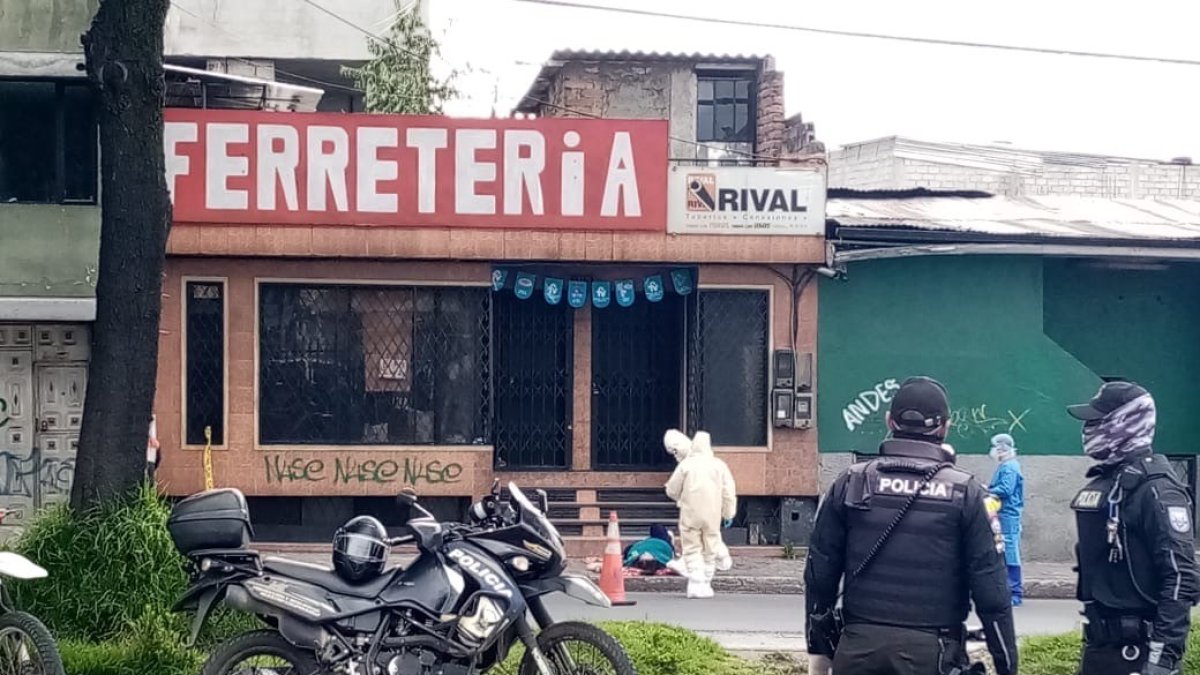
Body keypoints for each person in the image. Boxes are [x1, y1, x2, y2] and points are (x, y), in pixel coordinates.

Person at [805, 376, 1017, 675]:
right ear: (945, 427)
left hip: (856, 652)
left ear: (889, 421)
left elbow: (819, 577)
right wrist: (1007, 666)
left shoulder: (850, 482)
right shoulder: (967, 493)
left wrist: (819, 652)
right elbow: (993, 596)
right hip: (933, 654)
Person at [1068, 381, 1199, 675]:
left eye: (1097, 420)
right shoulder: (1109, 483)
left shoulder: (1157, 491)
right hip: (1101, 649)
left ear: (1127, 421)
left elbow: (1181, 576)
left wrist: (1162, 658)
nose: (1089, 428)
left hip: (1138, 652)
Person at [664, 429, 737, 599]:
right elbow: (728, 492)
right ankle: (706, 582)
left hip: (690, 513)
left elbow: (672, 489)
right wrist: (728, 513)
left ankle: (695, 583)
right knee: (710, 547)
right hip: (712, 515)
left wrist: (681, 497)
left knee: (692, 548)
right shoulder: (719, 465)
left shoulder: (686, 465)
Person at [988, 433, 1026, 606]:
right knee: (1005, 550)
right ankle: (1009, 591)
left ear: (1002, 449)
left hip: (1008, 514)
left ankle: (1015, 592)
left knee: (1010, 552)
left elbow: (1005, 489)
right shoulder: (1006, 465)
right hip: (1004, 513)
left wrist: (988, 491)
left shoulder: (1010, 467)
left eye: (996, 447)